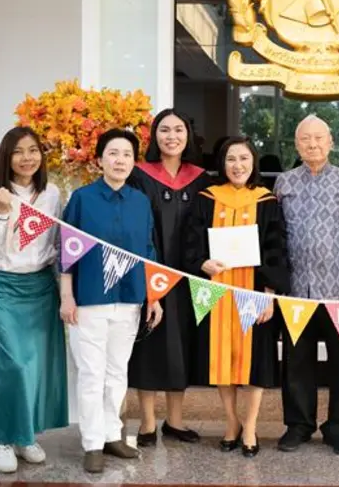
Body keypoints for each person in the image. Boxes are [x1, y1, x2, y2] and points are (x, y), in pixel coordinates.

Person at [60, 129, 164, 474]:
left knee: (118, 372)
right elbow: (67, 252)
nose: (120, 160)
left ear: (134, 162)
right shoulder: (82, 199)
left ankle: (111, 435)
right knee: (91, 372)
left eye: (127, 155)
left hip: (131, 298)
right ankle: (91, 443)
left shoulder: (140, 202)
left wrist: (154, 297)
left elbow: (149, 252)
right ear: (100, 159)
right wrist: (67, 296)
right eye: (113, 153)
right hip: (89, 299)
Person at [183, 136, 290, 458]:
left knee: (254, 362)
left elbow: (277, 249)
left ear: (253, 162)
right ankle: (231, 423)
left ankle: (252, 426)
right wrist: (201, 262)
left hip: (253, 295)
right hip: (216, 293)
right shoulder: (206, 198)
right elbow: (191, 242)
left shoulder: (266, 200)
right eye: (231, 159)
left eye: (244, 158)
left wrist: (270, 294)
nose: (238, 165)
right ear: (222, 163)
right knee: (222, 362)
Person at [273, 114, 339, 456]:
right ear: (296, 144)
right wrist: (276, 282)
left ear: (331, 142)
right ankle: (298, 424)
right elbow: (276, 236)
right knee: (297, 360)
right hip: (297, 289)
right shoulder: (283, 183)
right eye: (305, 139)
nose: (312, 144)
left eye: (318, 138)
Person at [0, 126, 68, 473]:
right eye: (18, 151)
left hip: (41, 287)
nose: (27, 158)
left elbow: (58, 247)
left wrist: (66, 290)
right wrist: (3, 212)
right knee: (10, 365)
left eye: (33, 150)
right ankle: (2, 438)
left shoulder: (52, 194)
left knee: (34, 367)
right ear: (6, 157)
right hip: (2, 287)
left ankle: (25, 435)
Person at [126, 109, 211, 447]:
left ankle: (175, 421)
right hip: (151, 271)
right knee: (149, 345)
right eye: (164, 130)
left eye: (179, 129)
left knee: (182, 347)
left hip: (191, 276)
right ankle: (146, 423)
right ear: (154, 136)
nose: (172, 136)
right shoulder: (139, 175)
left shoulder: (202, 178)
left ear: (188, 135)